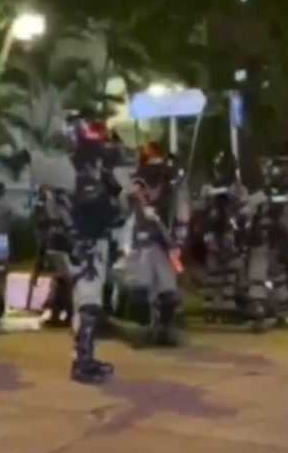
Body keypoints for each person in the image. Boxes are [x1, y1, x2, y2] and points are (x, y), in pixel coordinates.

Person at [56, 114, 121, 383]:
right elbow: (66, 212)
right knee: (88, 305)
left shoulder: (94, 170)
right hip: (84, 246)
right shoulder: (70, 172)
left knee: (89, 304)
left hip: (96, 243)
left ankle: (86, 358)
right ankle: (82, 363)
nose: (99, 139)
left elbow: (114, 209)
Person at [118, 143, 189, 346]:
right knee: (140, 289)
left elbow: (182, 213)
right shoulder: (135, 185)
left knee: (167, 291)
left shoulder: (172, 185)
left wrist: (178, 239)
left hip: (163, 244)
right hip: (139, 243)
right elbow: (124, 206)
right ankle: (143, 332)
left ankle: (164, 330)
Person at [241, 159, 288, 332]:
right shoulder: (273, 197)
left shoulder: (265, 197)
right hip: (266, 241)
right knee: (269, 280)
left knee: (273, 280)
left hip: (273, 242)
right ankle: (270, 317)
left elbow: (245, 212)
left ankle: (277, 316)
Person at [197, 152, 248, 323]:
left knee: (229, 270)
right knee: (215, 270)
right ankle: (211, 307)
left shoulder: (237, 188)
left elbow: (243, 209)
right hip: (214, 231)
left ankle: (225, 307)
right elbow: (200, 210)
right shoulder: (208, 188)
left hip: (229, 230)